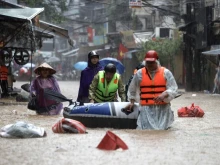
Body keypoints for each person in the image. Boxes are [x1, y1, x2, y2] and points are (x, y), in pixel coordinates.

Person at [127, 50, 178, 130]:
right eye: (148, 63)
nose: (149, 65)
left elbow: (174, 88)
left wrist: (164, 94)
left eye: (152, 62)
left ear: (156, 61)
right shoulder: (139, 73)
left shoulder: (166, 73)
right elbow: (132, 89)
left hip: (163, 110)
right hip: (146, 110)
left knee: (162, 133)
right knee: (147, 132)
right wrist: (132, 102)